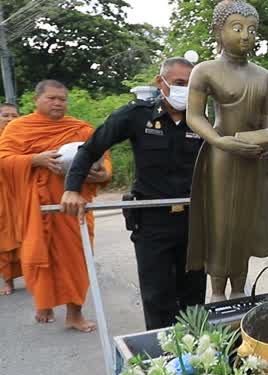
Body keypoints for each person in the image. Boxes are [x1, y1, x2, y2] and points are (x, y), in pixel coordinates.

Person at [61, 58, 206, 330]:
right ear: (159, 82)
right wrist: (72, 189)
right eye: (179, 84)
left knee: (194, 299)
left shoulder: (201, 119)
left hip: (194, 222)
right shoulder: (136, 115)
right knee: (158, 298)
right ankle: (163, 364)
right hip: (152, 222)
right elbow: (89, 149)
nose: (185, 90)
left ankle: (200, 362)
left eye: (191, 85)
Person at [186, 0, 268, 301]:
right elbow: (194, 115)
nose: (245, 36)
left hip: (253, 157)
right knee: (221, 224)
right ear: (218, 30)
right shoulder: (205, 70)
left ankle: (240, 288)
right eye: (236, 28)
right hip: (221, 155)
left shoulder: (264, 76)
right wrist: (219, 141)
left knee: (245, 224)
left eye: (251, 30)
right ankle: (218, 293)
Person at [0, 80, 111, 331]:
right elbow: (3, 160)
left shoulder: (79, 129)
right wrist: (34, 159)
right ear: (36, 99)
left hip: (73, 209)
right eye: (52, 98)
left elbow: (103, 158)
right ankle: (44, 302)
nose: (58, 103)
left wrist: (103, 175)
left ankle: (75, 314)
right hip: (35, 210)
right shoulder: (18, 128)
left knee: (77, 260)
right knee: (37, 258)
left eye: (62, 99)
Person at [0, 102, 23, 295]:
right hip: (1, 199)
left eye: (13, 116)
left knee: (30, 237)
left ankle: (36, 278)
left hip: (22, 195)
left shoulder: (23, 139)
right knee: (3, 241)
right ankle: (8, 282)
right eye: (5, 115)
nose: (9, 119)